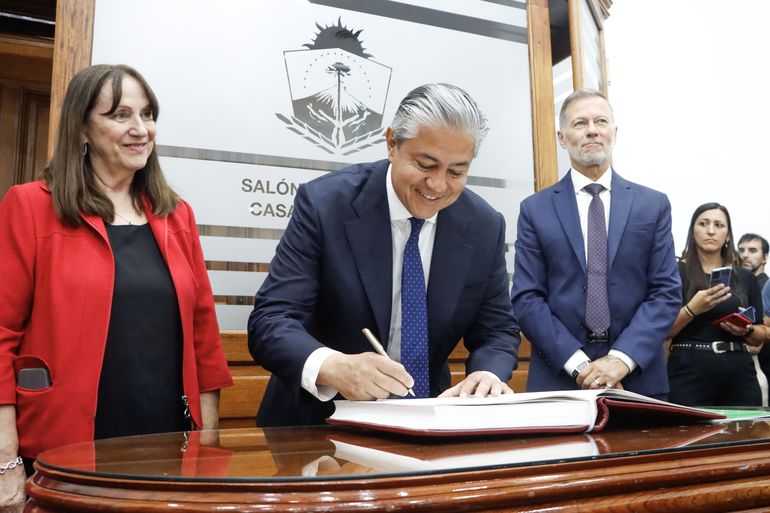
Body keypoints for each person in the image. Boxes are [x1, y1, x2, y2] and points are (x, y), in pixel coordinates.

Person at [0, 64, 233, 511]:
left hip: (168, 445)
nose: (139, 129)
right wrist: (5, 462)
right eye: (120, 115)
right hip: (65, 450)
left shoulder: (175, 214)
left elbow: (204, 339)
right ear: (82, 129)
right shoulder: (30, 206)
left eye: (147, 115)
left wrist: (207, 450)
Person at [248, 83, 520, 427]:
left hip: (428, 421)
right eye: (425, 164)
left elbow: (496, 329)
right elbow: (272, 320)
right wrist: (332, 366)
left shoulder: (484, 225)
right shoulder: (325, 204)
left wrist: (486, 374)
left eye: (456, 172)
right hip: (316, 425)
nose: (437, 185)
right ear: (392, 143)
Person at [511, 88, 681, 398]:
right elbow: (526, 298)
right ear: (562, 137)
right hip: (559, 379)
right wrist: (580, 367)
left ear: (614, 132)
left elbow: (666, 293)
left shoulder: (653, 206)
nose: (592, 129)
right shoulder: (535, 210)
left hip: (637, 379)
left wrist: (619, 360)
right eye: (579, 123)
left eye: (600, 121)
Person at [667, 203, 766, 406]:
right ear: (692, 231)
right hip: (688, 369)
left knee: (748, 433)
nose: (711, 231)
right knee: (688, 436)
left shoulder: (745, 277)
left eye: (719, 225)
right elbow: (662, 331)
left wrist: (746, 330)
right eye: (703, 224)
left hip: (739, 368)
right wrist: (692, 309)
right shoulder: (674, 272)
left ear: (728, 235)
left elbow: (760, 337)